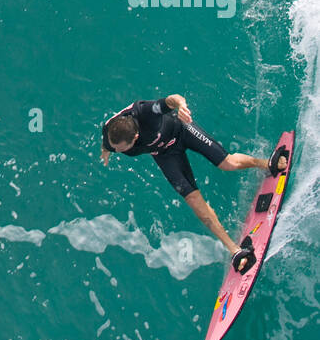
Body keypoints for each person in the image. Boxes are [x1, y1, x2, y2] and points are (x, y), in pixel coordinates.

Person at [100, 93, 289, 273]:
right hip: (165, 155)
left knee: (227, 163)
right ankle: (235, 251)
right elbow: (108, 144)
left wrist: (181, 106)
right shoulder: (112, 135)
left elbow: (172, 99)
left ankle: (266, 164)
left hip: (182, 129)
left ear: (135, 137)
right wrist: (107, 151)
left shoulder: (146, 112)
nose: (116, 151)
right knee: (194, 201)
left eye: (120, 149)